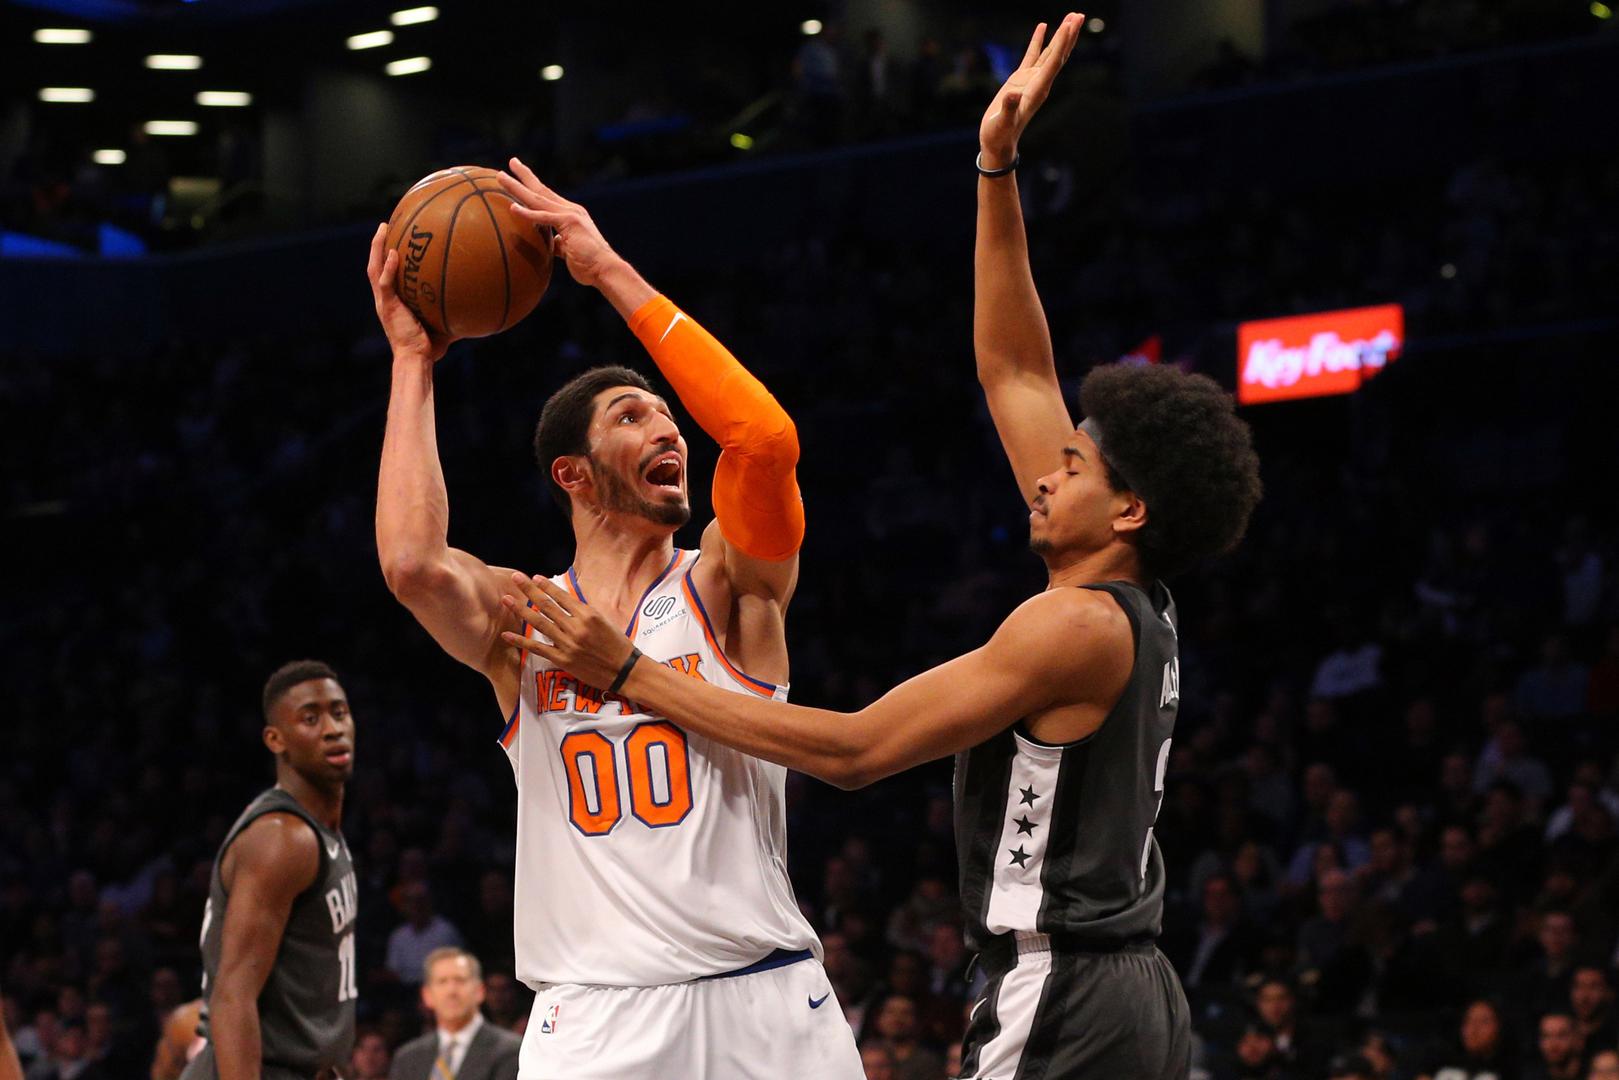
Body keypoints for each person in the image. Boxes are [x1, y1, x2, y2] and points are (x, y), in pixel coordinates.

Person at [501, 15, 1262, 1079]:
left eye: (1073, 469)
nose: (1045, 474)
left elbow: (854, 752)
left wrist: (627, 673)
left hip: (1067, 989)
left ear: (1126, 510)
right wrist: (994, 166)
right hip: (1110, 987)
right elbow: (1015, 372)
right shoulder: (1128, 593)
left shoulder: (1073, 627)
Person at [368, 159, 860, 1079]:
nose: (670, 431)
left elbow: (763, 441)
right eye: (634, 418)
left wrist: (607, 273)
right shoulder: (526, 616)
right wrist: (410, 362)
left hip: (763, 1000)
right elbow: (411, 564)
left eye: (670, 418)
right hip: (595, 1018)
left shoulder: (726, 584)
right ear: (574, 475)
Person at [180, 661, 359, 1080]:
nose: (332, 729)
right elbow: (232, 996)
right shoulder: (282, 839)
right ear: (276, 740)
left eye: (339, 712)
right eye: (310, 719)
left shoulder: (319, 830)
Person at [388, 949, 519, 1080]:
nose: (451, 991)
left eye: (460, 980)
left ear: (480, 991)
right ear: (427, 995)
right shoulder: (407, 1059)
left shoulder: (510, 1051)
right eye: (442, 981)